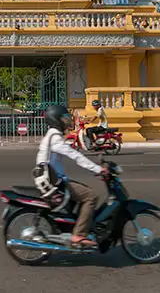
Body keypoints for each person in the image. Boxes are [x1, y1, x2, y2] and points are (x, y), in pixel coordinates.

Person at [35, 104, 106, 248]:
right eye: (65, 117)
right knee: (90, 196)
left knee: (81, 191)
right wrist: (97, 169)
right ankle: (79, 234)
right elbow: (75, 156)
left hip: (52, 179)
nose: (68, 120)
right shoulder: (55, 137)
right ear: (57, 120)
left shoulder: (53, 135)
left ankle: (75, 226)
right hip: (54, 183)